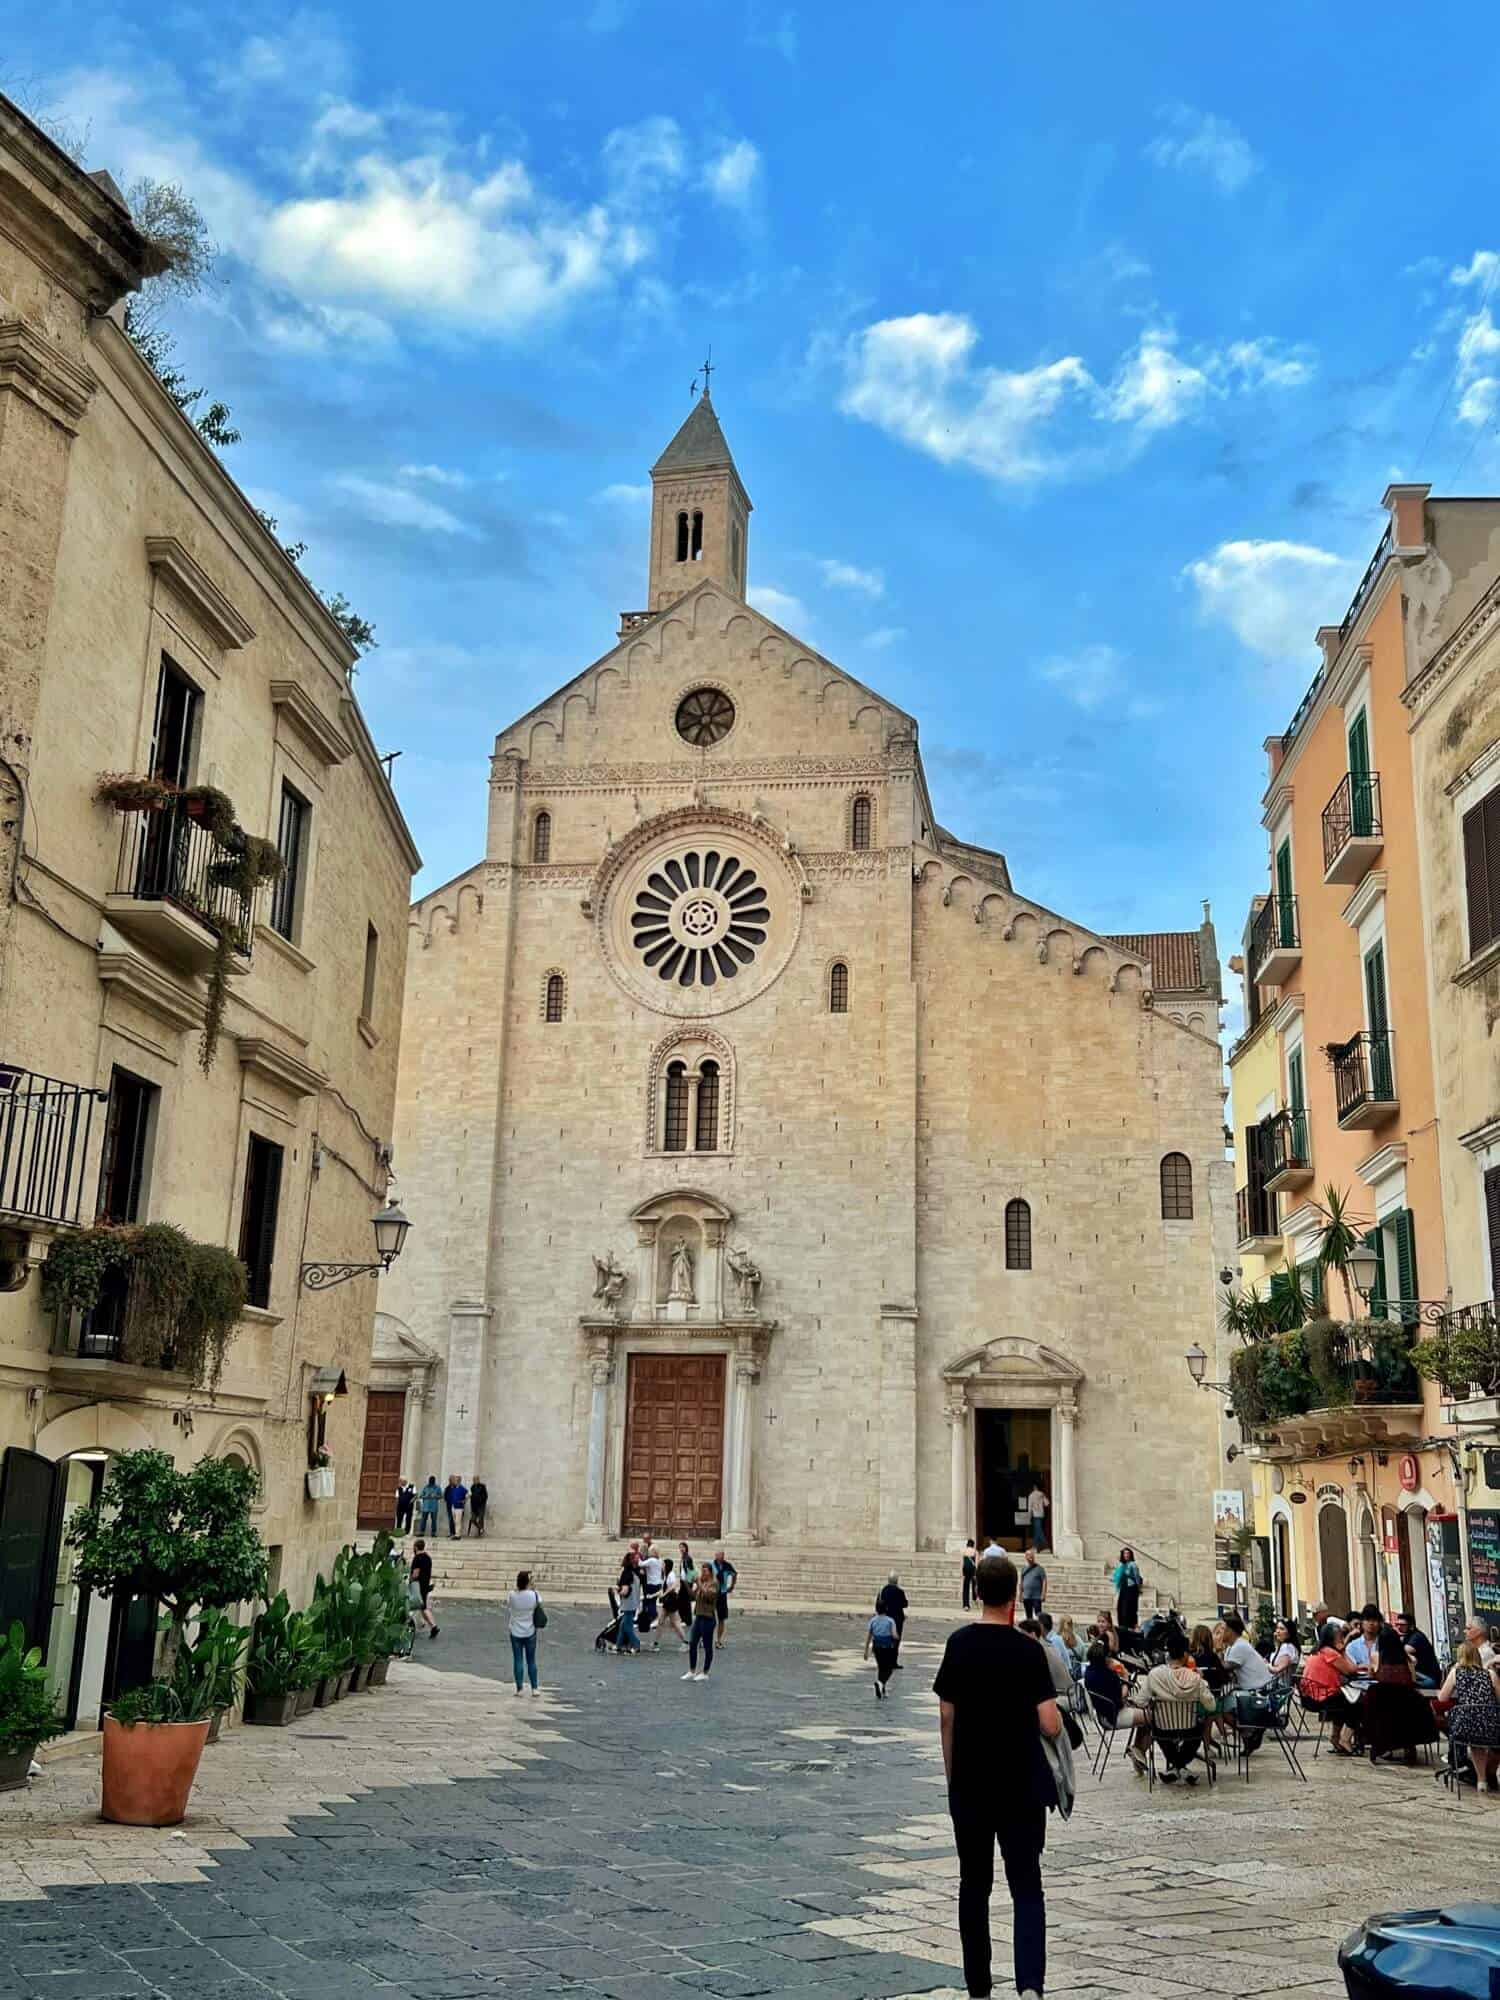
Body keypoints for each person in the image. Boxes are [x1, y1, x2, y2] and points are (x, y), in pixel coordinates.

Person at [934, 1554, 1061, 2000]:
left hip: (970, 1785)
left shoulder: (959, 1644)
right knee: (1027, 1886)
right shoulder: (1029, 1651)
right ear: (1013, 1596)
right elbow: (1050, 1724)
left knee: (974, 1888)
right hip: (1022, 1787)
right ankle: (1030, 1986)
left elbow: (946, 1717)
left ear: (978, 1591)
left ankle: (979, 1990)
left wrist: (953, 1778)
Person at [1143, 1628, 1216, 1783]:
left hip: (1163, 1729)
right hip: (1189, 1730)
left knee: (1156, 1727)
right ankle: (1181, 1766)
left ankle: (1176, 1768)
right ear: (1185, 1655)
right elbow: (1211, 1706)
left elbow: (1141, 1701)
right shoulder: (1195, 1678)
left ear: (1167, 1654)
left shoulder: (1154, 1675)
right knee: (1200, 1726)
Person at [1439, 1639, 1500, 1793]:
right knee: (1484, 1739)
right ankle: (1487, 1775)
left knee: (1474, 1740)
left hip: (1465, 1725)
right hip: (1490, 1724)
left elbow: (1442, 1698)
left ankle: (1481, 1780)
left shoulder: (1456, 1672)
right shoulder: (1490, 1674)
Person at [1083, 1640, 1148, 1773]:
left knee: (1145, 1716)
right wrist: (1125, 1679)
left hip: (1103, 1714)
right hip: (1114, 1716)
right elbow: (1120, 1699)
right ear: (1106, 1657)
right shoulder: (1108, 1675)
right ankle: (1138, 1749)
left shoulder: (1089, 1672)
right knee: (1152, 1717)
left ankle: (1138, 1752)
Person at [1300, 1622, 1359, 1753]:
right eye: (1340, 1636)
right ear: (1334, 1638)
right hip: (1321, 1698)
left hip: (1309, 1697)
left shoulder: (1318, 1650)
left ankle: (1335, 1737)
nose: (1342, 1639)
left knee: (1342, 1702)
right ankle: (1345, 1739)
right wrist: (1343, 1649)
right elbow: (1350, 1670)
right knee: (1356, 1704)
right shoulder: (1330, 1653)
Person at [684, 1561, 719, 1680]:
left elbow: (709, 1597)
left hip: (708, 1618)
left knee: (708, 1646)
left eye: (705, 1570)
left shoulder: (714, 1583)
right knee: (693, 1643)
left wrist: (699, 1583)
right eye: (702, 1570)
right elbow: (692, 1596)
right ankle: (692, 1670)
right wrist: (687, 1583)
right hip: (699, 1616)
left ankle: (705, 1672)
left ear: (710, 1572)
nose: (703, 1572)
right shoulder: (702, 1583)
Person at [507, 1569, 540, 1695]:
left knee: (518, 1659)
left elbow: (509, 1604)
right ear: (528, 1582)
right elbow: (539, 1603)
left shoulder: (512, 1595)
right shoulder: (534, 1595)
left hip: (515, 1630)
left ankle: (519, 1688)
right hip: (530, 1630)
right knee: (531, 1660)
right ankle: (534, 1687)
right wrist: (533, 1588)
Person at [1393, 1610, 1440, 1687]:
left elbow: (1402, 1651)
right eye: (1397, 1624)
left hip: (1428, 1678)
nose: (1398, 1627)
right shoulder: (1406, 1636)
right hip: (1419, 1674)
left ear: (1411, 1626)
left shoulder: (1417, 1637)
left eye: (1402, 1625)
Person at [866, 1605, 900, 1698]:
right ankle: (881, 1683)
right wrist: (897, 1637)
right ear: (886, 1609)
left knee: (881, 1667)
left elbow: (869, 1635)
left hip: (877, 1647)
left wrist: (866, 1651)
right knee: (889, 1668)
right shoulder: (890, 1620)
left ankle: (882, 1689)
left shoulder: (873, 1620)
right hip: (887, 1647)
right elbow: (894, 1634)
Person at [408, 1538, 438, 1640]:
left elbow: (416, 1573)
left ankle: (433, 1626)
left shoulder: (417, 1558)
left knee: (422, 1607)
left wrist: (410, 1580)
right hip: (425, 1584)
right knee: (421, 1606)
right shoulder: (428, 1558)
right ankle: (425, 1624)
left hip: (418, 1585)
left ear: (416, 1547)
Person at [876, 1573, 909, 1665]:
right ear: (896, 1580)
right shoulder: (899, 1591)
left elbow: (877, 1604)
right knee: (895, 1640)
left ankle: (883, 1660)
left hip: (885, 1617)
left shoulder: (882, 1590)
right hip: (897, 1618)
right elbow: (905, 1604)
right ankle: (893, 1661)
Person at [1346, 1604, 1384, 1672]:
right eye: (1367, 1620)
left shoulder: (1385, 1644)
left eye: (1374, 1620)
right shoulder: (1352, 1646)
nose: (1371, 1623)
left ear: (1379, 1623)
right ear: (1362, 1623)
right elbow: (1348, 1667)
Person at [1112, 1547, 1142, 1633]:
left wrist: (1138, 1588)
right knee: (1120, 1607)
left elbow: (1137, 1577)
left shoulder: (1133, 1564)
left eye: (1128, 1553)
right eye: (1125, 1553)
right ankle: (1122, 1626)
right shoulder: (1121, 1564)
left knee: (1129, 1608)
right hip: (1123, 1588)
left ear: (1131, 1555)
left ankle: (1130, 1626)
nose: (1126, 1555)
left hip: (1131, 1588)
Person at [616, 1561, 642, 1656]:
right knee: (623, 1625)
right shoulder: (636, 1575)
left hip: (628, 1603)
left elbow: (624, 1591)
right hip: (634, 1602)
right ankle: (618, 1645)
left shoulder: (626, 1574)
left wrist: (617, 1590)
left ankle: (636, 1644)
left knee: (627, 1626)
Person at [641, 1543, 665, 1648]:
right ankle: (651, 1619)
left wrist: (638, 1554)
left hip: (651, 1584)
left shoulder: (651, 1561)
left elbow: (640, 1564)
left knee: (650, 1602)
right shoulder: (660, 1561)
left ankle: (654, 1618)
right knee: (652, 1601)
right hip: (658, 1584)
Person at [712, 1547, 737, 1645]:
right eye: (717, 1555)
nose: (719, 1557)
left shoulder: (727, 1565)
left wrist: (732, 1586)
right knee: (708, 1617)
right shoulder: (711, 1565)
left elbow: (734, 1574)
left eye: (721, 1555)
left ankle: (718, 1640)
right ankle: (703, 1638)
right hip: (712, 1593)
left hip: (722, 1594)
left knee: (721, 1618)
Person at [1269, 1617, 1301, 1681]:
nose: (1277, 1631)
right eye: (1277, 1628)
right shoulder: (1282, 1645)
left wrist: (1266, 1666)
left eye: (1282, 1629)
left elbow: (1277, 1669)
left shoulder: (1287, 1648)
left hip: (1281, 1687)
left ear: (1289, 1633)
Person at [1020, 1550, 1046, 1617]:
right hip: (1026, 1596)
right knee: (1028, 1615)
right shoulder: (1023, 1569)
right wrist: (1020, 1594)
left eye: (1032, 1555)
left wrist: (1043, 1594)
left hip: (1036, 1596)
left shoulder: (1039, 1568)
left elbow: (1044, 1581)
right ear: (1026, 1557)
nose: (1030, 1556)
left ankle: (1040, 1627)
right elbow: (1021, 1582)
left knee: (1038, 1614)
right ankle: (1030, 1627)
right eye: (1028, 1555)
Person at [1026, 1479, 1049, 1553]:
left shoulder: (1031, 1495)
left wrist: (1029, 1517)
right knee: (1037, 1531)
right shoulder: (1042, 1494)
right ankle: (1035, 1547)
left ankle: (1046, 1547)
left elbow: (1029, 1508)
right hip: (1041, 1515)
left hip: (1035, 1515)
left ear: (1034, 1487)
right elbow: (1047, 1503)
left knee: (1039, 1531)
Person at [442, 1474, 467, 1539]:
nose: (455, 1481)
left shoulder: (462, 1488)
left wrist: (464, 1500)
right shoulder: (452, 1488)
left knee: (458, 1521)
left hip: (459, 1507)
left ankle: (457, 1535)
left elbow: (468, 1495)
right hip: (452, 1506)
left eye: (456, 1480)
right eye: (455, 1480)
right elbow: (447, 1496)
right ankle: (455, 1533)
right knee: (454, 1521)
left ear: (459, 1481)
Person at [961, 1539, 978, 1612]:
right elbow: (976, 1563)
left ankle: (966, 1605)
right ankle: (975, 1599)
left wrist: (962, 1573)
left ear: (967, 1544)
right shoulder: (975, 1551)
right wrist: (976, 1573)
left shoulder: (964, 1551)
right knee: (974, 1585)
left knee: (966, 1588)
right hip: (973, 1570)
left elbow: (962, 1563)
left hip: (966, 1570)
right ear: (973, 1545)